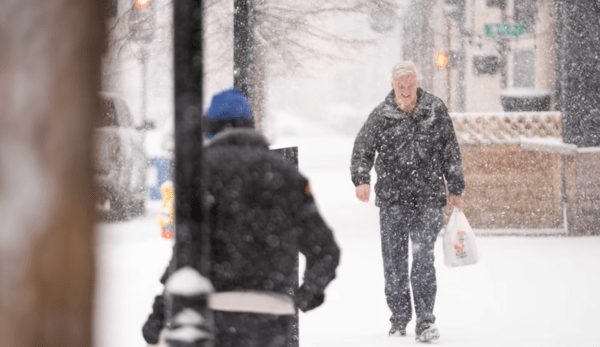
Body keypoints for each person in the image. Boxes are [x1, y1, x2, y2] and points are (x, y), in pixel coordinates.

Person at [143, 87, 340, 347]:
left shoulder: (201, 172)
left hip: (215, 313)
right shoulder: (288, 175)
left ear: (210, 128)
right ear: (251, 126)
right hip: (274, 318)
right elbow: (324, 249)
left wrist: (159, 313)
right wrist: (308, 294)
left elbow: (187, 250)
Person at [350, 61, 465, 342]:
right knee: (394, 263)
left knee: (423, 260)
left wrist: (456, 186)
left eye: (410, 85)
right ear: (393, 85)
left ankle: (425, 321)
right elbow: (362, 149)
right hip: (392, 202)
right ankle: (399, 319)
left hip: (427, 200)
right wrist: (361, 179)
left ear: (417, 84)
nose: (405, 91)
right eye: (400, 86)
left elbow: (450, 149)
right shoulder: (381, 114)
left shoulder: (434, 110)